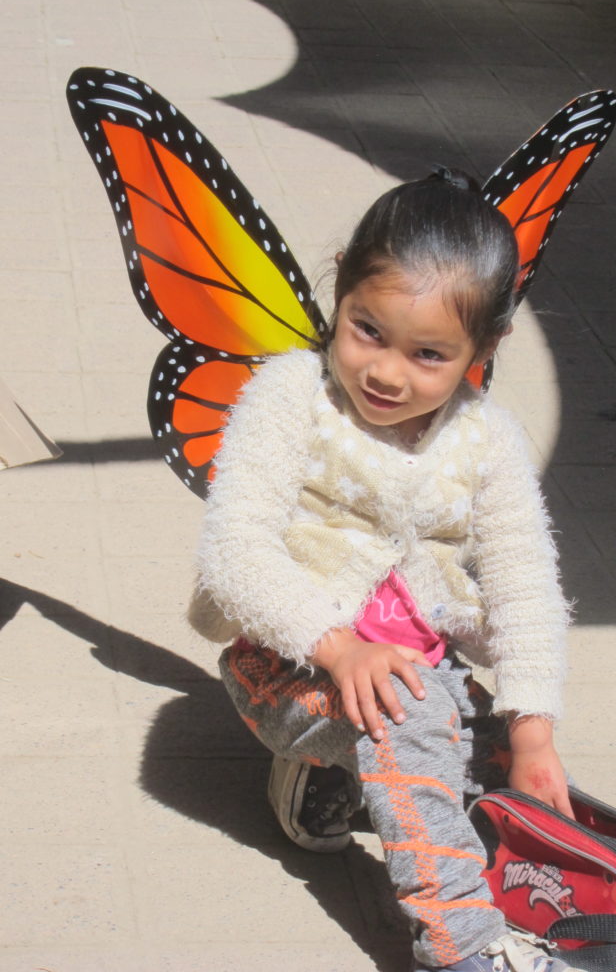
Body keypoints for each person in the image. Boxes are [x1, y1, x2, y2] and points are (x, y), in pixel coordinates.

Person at [189, 168, 584, 972]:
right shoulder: (290, 395)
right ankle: (462, 949)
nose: (387, 373)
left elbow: (524, 586)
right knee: (415, 726)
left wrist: (533, 729)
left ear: (486, 347)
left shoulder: (488, 440)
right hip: (282, 663)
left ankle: (320, 785)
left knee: (479, 745)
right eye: (367, 330)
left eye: (430, 354)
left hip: (414, 670)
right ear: (339, 283)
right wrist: (339, 648)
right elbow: (234, 556)